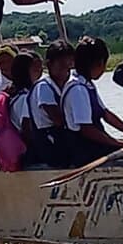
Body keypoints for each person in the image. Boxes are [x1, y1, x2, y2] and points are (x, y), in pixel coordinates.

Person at [62, 36, 123, 167]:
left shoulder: (86, 84)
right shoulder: (77, 89)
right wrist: (118, 143)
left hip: (93, 145)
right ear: (98, 63)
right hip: (84, 150)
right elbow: (87, 130)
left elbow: (106, 115)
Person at [0, 52, 36, 172]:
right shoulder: (25, 97)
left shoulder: (12, 95)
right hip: (26, 152)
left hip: (16, 149)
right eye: (35, 69)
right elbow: (26, 128)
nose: (38, 72)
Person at [29, 39, 75, 167]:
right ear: (49, 64)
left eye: (69, 66)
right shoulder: (44, 87)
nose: (66, 71)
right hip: (50, 142)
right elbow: (58, 120)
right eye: (61, 65)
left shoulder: (67, 85)